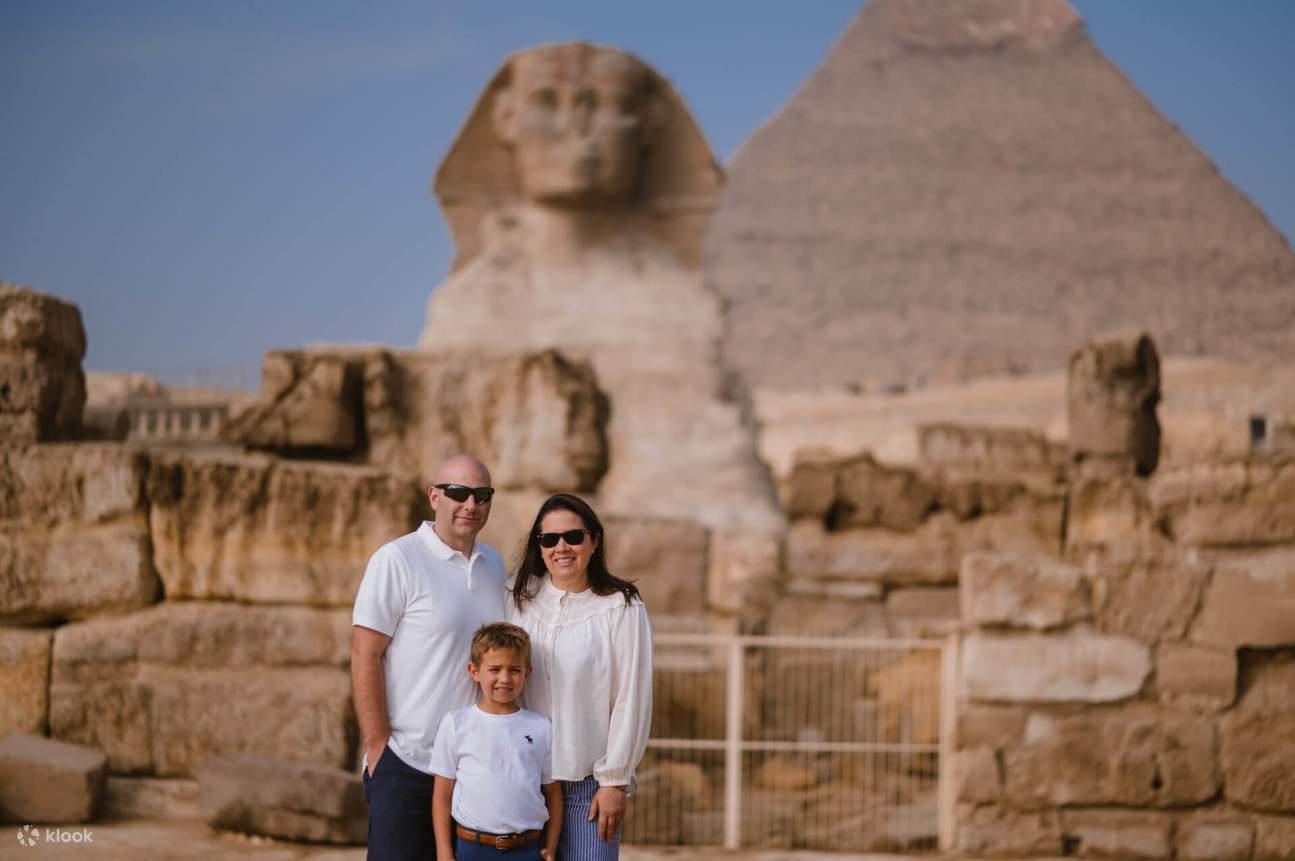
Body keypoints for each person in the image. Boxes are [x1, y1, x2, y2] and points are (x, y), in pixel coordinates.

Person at [351, 454, 506, 861]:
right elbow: (365, 654)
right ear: (434, 496)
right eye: (458, 492)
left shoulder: (494, 566)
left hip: (472, 769)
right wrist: (379, 747)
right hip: (406, 763)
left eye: (481, 495)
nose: (470, 504)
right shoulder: (397, 559)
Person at [507, 493, 653, 861]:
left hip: (588, 785)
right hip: (522, 780)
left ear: (594, 540)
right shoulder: (515, 598)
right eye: (549, 539)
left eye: (574, 536)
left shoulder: (622, 606)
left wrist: (615, 780)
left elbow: (630, 697)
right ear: (538, 546)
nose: (562, 547)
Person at [430, 623, 563, 861]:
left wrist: (551, 847)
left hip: (528, 848)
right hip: (472, 848)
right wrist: (443, 851)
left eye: (514, 670)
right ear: (474, 671)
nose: (504, 678)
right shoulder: (455, 724)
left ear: (527, 672)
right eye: (494, 669)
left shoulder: (541, 727)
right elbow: (442, 795)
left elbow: (553, 793)